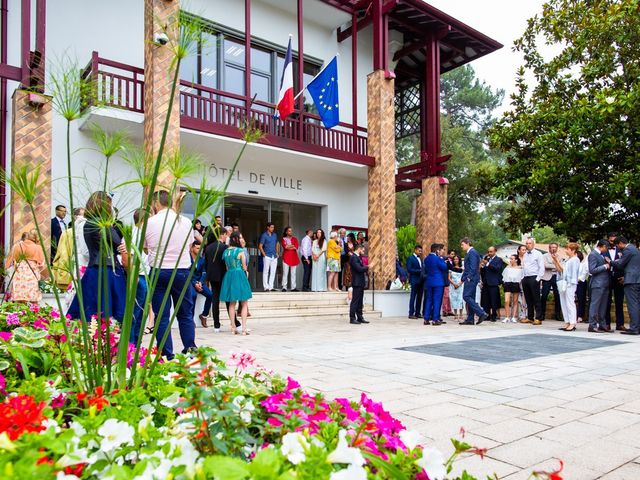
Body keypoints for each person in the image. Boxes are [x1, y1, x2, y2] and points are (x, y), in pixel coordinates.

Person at [145, 190, 197, 359]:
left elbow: (145, 247)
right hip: (181, 270)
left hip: (159, 271)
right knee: (185, 313)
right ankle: (190, 348)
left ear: (156, 203)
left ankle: (166, 353)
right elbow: (189, 246)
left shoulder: (150, 222)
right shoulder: (186, 222)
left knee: (161, 316)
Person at [67, 192, 127, 322]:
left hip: (93, 270)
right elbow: (117, 241)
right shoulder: (102, 225)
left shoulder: (87, 224)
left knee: (91, 313)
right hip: (108, 271)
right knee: (109, 314)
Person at [205, 229, 241, 332]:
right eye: (226, 235)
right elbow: (227, 263)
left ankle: (216, 325)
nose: (226, 237)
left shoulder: (208, 248)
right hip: (223, 276)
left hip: (212, 277)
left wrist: (207, 278)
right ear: (222, 235)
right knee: (228, 299)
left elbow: (206, 264)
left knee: (215, 300)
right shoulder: (224, 247)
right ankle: (235, 323)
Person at [220, 232, 252, 335]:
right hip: (239, 275)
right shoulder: (240, 251)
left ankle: (233, 327)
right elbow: (244, 267)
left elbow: (226, 267)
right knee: (244, 303)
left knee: (232, 303)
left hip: (229, 275)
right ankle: (243, 328)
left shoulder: (225, 251)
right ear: (237, 239)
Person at [129, 208, 152, 344]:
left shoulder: (142, 233)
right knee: (136, 312)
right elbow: (130, 256)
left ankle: (136, 343)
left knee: (141, 311)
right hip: (139, 276)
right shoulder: (136, 234)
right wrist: (134, 275)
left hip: (145, 275)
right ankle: (132, 343)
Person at [52, 207, 89, 290]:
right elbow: (61, 252)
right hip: (71, 266)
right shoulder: (68, 233)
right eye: (83, 216)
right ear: (75, 217)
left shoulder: (90, 231)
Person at [5, 229, 45, 303]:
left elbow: (11, 260)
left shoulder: (17, 246)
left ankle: (19, 314)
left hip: (19, 274)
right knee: (33, 299)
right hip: (31, 275)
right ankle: (33, 313)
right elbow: (41, 264)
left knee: (19, 299)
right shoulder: (37, 247)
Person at [612, 236, 640, 335]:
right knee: (637, 304)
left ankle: (634, 328)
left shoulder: (628, 250)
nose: (618, 248)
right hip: (636, 279)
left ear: (620, 243)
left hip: (632, 281)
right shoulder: (635, 249)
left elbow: (620, 264)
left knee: (633, 304)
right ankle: (637, 327)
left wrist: (609, 261)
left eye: (617, 245)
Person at [552, 242, 580, 332]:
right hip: (563, 283)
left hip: (570, 283)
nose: (566, 250)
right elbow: (560, 270)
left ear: (573, 250)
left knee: (569, 302)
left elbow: (567, 272)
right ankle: (567, 321)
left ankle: (572, 322)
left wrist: (557, 261)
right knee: (563, 302)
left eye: (567, 249)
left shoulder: (575, 260)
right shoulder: (568, 260)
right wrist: (556, 261)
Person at [459, 238, 487, 325]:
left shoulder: (472, 252)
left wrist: (468, 277)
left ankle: (481, 313)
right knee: (471, 297)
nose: (461, 246)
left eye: (462, 244)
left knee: (466, 296)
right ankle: (470, 319)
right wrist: (463, 279)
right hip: (471, 278)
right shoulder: (471, 253)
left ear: (468, 243)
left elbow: (473, 267)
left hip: (471, 278)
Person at [588, 240, 611, 333]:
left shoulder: (602, 255)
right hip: (597, 283)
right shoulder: (593, 254)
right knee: (595, 305)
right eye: (606, 247)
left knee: (603, 305)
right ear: (603, 246)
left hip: (605, 283)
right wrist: (605, 266)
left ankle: (602, 324)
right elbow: (592, 270)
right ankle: (592, 325)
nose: (607, 250)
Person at [521, 237, 545, 325]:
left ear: (533, 244)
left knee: (536, 298)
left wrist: (538, 279)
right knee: (528, 299)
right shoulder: (525, 254)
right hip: (526, 277)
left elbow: (542, 267)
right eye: (526, 243)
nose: (528, 245)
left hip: (534, 277)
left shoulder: (538, 254)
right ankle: (530, 317)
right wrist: (523, 277)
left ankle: (538, 317)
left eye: (529, 243)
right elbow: (524, 266)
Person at [189, 240, 213, 328]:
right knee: (193, 295)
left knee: (210, 295)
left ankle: (204, 315)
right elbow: (187, 273)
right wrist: (195, 283)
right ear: (192, 248)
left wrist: (200, 282)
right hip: (190, 282)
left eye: (200, 249)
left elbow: (204, 272)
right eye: (197, 248)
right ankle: (190, 319)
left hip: (199, 282)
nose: (199, 250)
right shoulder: (187, 259)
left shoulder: (202, 260)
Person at [422, 243, 448, 326]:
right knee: (437, 300)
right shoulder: (438, 259)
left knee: (429, 300)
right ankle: (435, 319)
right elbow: (444, 267)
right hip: (438, 282)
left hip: (429, 282)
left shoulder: (426, 259)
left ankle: (426, 319)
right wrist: (442, 260)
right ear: (437, 250)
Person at [605, 232, 625, 330]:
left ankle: (620, 324)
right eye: (611, 240)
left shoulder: (622, 250)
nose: (613, 242)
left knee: (619, 301)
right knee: (607, 301)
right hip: (607, 277)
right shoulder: (604, 249)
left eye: (614, 240)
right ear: (608, 239)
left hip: (618, 278)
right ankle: (607, 324)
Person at [480, 246, 504, 322]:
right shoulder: (487, 259)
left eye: (491, 251)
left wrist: (488, 264)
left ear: (495, 251)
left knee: (494, 300)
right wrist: (482, 267)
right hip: (486, 282)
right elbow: (484, 272)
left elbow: (497, 269)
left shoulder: (499, 260)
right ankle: (487, 315)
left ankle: (494, 315)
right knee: (486, 300)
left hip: (493, 283)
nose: (489, 253)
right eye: (488, 252)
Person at [541, 243, 563, 321]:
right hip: (547, 278)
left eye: (555, 247)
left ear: (557, 248)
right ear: (549, 248)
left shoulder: (560, 256)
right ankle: (542, 314)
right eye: (552, 247)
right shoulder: (544, 256)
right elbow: (545, 266)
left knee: (558, 296)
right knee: (544, 296)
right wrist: (555, 265)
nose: (553, 249)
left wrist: (556, 265)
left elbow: (561, 267)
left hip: (556, 277)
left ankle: (558, 314)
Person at [348, 243, 369, 325]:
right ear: (359, 249)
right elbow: (359, 269)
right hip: (356, 282)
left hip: (360, 282)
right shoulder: (353, 257)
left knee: (360, 301)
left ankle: (360, 317)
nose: (363, 251)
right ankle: (352, 318)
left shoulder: (358, 257)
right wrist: (368, 266)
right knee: (355, 301)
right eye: (363, 250)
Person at [258, 222, 279, 292]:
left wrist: (277, 252)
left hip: (274, 256)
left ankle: (271, 287)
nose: (273, 228)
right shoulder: (264, 235)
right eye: (271, 227)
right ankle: (266, 287)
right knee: (266, 271)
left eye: (273, 227)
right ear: (268, 227)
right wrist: (264, 255)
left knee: (273, 272)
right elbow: (260, 246)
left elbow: (277, 243)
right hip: (267, 255)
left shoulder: (275, 235)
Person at [502, 254, 523, 323]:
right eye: (510, 258)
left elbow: (521, 277)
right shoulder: (507, 267)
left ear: (516, 260)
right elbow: (504, 276)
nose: (510, 260)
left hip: (516, 284)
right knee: (506, 301)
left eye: (512, 259)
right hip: (507, 283)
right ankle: (507, 317)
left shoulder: (520, 268)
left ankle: (513, 317)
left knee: (515, 301)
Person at [406, 245, 424, 319]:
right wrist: (419, 271)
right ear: (415, 250)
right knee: (413, 297)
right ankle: (411, 313)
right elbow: (409, 269)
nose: (420, 252)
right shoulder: (410, 258)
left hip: (421, 280)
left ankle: (417, 312)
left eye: (421, 251)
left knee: (419, 297)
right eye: (419, 251)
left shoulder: (421, 259)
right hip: (414, 280)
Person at [281, 226, 300, 292]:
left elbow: (296, 247)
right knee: (285, 273)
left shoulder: (295, 239)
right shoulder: (284, 239)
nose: (290, 232)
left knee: (293, 273)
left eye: (291, 231)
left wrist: (289, 246)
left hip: (294, 258)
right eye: (289, 231)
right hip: (286, 258)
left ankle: (293, 287)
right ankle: (284, 287)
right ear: (286, 232)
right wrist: (292, 246)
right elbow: (285, 247)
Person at [448, 255, 464, 321]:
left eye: (457, 259)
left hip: (460, 285)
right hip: (453, 285)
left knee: (460, 299)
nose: (455, 260)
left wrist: (459, 284)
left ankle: (461, 314)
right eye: (454, 259)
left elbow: (464, 277)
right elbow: (449, 278)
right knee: (454, 299)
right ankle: (455, 314)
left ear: (459, 260)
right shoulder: (451, 268)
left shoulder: (462, 268)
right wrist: (454, 284)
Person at [576, 250, 589, 323]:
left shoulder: (583, 265)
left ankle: (580, 316)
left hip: (581, 283)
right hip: (572, 283)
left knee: (581, 299)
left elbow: (584, 275)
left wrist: (577, 280)